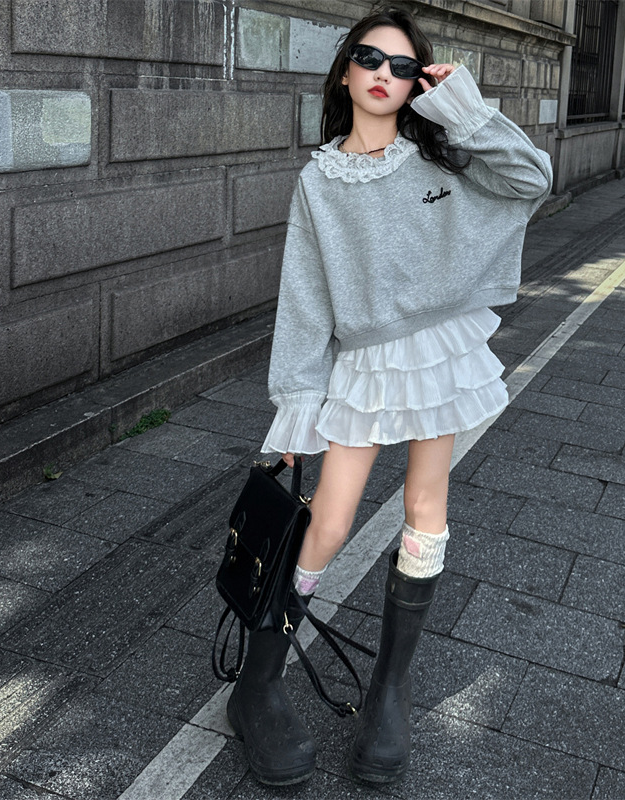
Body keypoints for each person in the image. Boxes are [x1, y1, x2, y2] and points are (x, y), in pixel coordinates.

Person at [226, 6, 553, 787]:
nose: (384, 74)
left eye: (403, 66)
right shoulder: (319, 181)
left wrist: (464, 110)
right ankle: (258, 682)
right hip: (365, 364)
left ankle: (390, 690)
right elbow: (305, 297)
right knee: (331, 520)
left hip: (440, 351)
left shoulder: (440, 156)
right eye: (370, 59)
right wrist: (297, 400)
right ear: (345, 70)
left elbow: (530, 180)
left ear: (416, 83)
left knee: (425, 507)